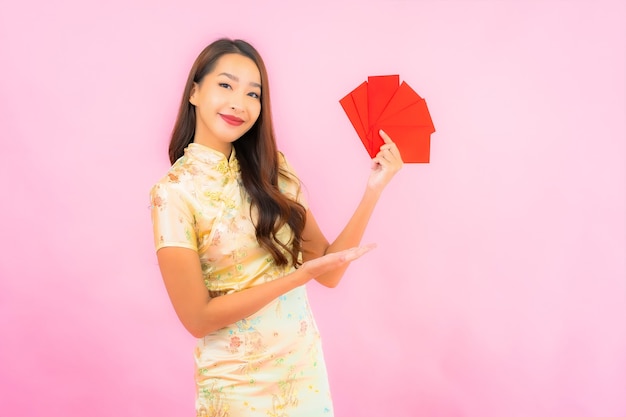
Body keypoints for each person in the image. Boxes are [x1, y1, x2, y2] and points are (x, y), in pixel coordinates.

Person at [149, 38, 403, 417]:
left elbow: (327, 271)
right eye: (226, 85)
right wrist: (296, 278)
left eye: (254, 93)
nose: (240, 102)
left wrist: (374, 190)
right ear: (194, 92)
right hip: (235, 389)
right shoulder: (173, 194)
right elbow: (197, 318)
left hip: (304, 377)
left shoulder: (274, 172)